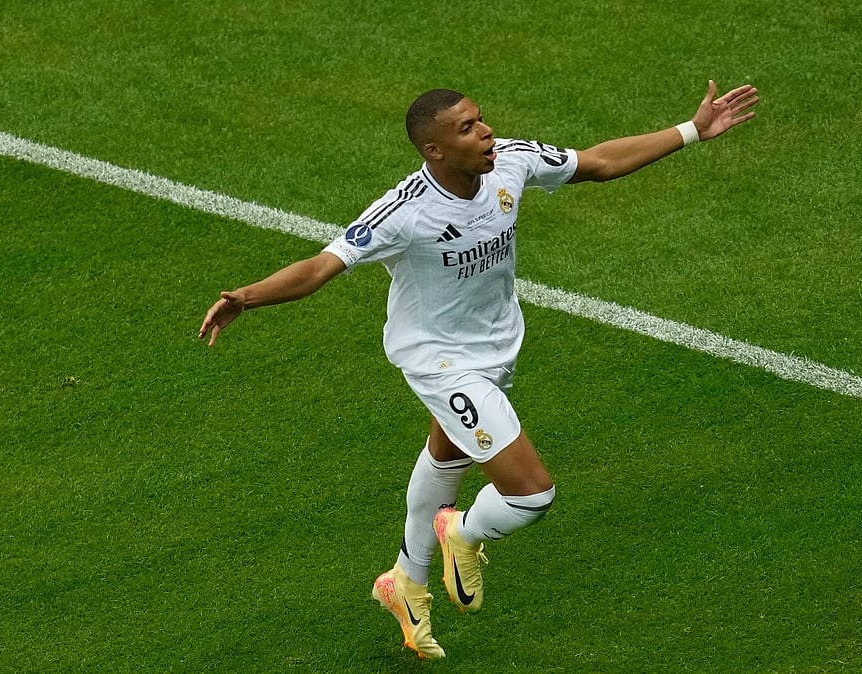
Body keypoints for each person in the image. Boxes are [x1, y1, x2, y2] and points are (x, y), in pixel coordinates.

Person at [198, 80, 759, 659]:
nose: (486, 131)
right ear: (434, 151)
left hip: (497, 346)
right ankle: (460, 531)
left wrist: (692, 130)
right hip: (439, 361)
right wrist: (247, 296)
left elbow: (599, 162)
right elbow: (321, 266)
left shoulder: (509, 163)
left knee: (448, 454)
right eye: (467, 128)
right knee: (531, 495)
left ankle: (404, 583)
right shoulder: (404, 213)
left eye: (481, 119)